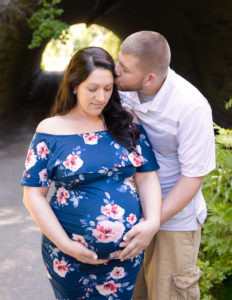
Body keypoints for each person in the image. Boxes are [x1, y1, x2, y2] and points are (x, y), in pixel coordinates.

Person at [21, 46, 162, 300]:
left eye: (108, 89)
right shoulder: (51, 131)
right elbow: (33, 195)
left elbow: (147, 176)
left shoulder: (127, 123)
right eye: (92, 88)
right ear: (74, 86)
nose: (101, 97)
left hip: (124, 257)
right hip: (68, 257)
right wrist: (66, 245)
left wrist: (152, 223)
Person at [115, 31, 216, 300]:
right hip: (130, 214)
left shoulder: (191, 107)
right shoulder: (123, 89)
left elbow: (193, 178)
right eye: (117, 61)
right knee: (130, 294)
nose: (115, 72)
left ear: (150, 78)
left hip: (174, 220)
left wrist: (153, 222)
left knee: (168, 294)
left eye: (124, 69)